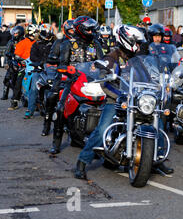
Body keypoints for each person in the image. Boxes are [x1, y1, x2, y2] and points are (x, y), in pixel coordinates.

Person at [74, 24, 175, 179]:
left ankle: (158, 158)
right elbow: (104, 82)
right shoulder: (112, 57)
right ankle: (82, 162)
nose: (140, 46)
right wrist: (120, 93)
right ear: (128, 40)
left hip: (136, 100)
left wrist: (159, 84)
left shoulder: (139, 59)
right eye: (137, 42)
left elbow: (149, 77)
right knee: (102, 129)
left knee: (158, 122)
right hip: (116, 100)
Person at [50, 16, 104, 154]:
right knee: (61, 108)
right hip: (73, 80)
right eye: (89, 30)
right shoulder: (68, 44)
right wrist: (68, 70)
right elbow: (62, 64)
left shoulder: (96, 44)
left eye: (93, 30)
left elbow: (103, 63)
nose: (92, 32)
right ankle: (56, 142)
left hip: (93, 82)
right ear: (81, 29)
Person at [24, 28, 55, 119]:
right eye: (46, 36)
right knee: (34, 88)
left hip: (52, 70)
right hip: (39, 69)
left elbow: (58, 55)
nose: (48, 38)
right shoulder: (36, 45)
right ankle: (30, 110)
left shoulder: (54, 44)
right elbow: (33, 57)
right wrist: (41, 62)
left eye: (49, 36)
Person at [9, 25, 37, 110]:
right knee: (19, 81)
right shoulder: (23, 43)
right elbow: (17, 55)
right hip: (25, 66)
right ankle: (15, 101)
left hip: (37, 66)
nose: (36, 35)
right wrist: (21, 60)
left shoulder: (38, 42)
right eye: (35, 33)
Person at [2, 26, 25, 100]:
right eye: (14, 33)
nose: (14, 34)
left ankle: (20, 94)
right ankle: (5, 94)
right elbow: (6, 53)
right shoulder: (11, 42)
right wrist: (6, 63)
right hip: (12, 61)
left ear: (20, 33)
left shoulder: (24, 41)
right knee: (7, 79)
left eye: (16, 33)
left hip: (23, 62)